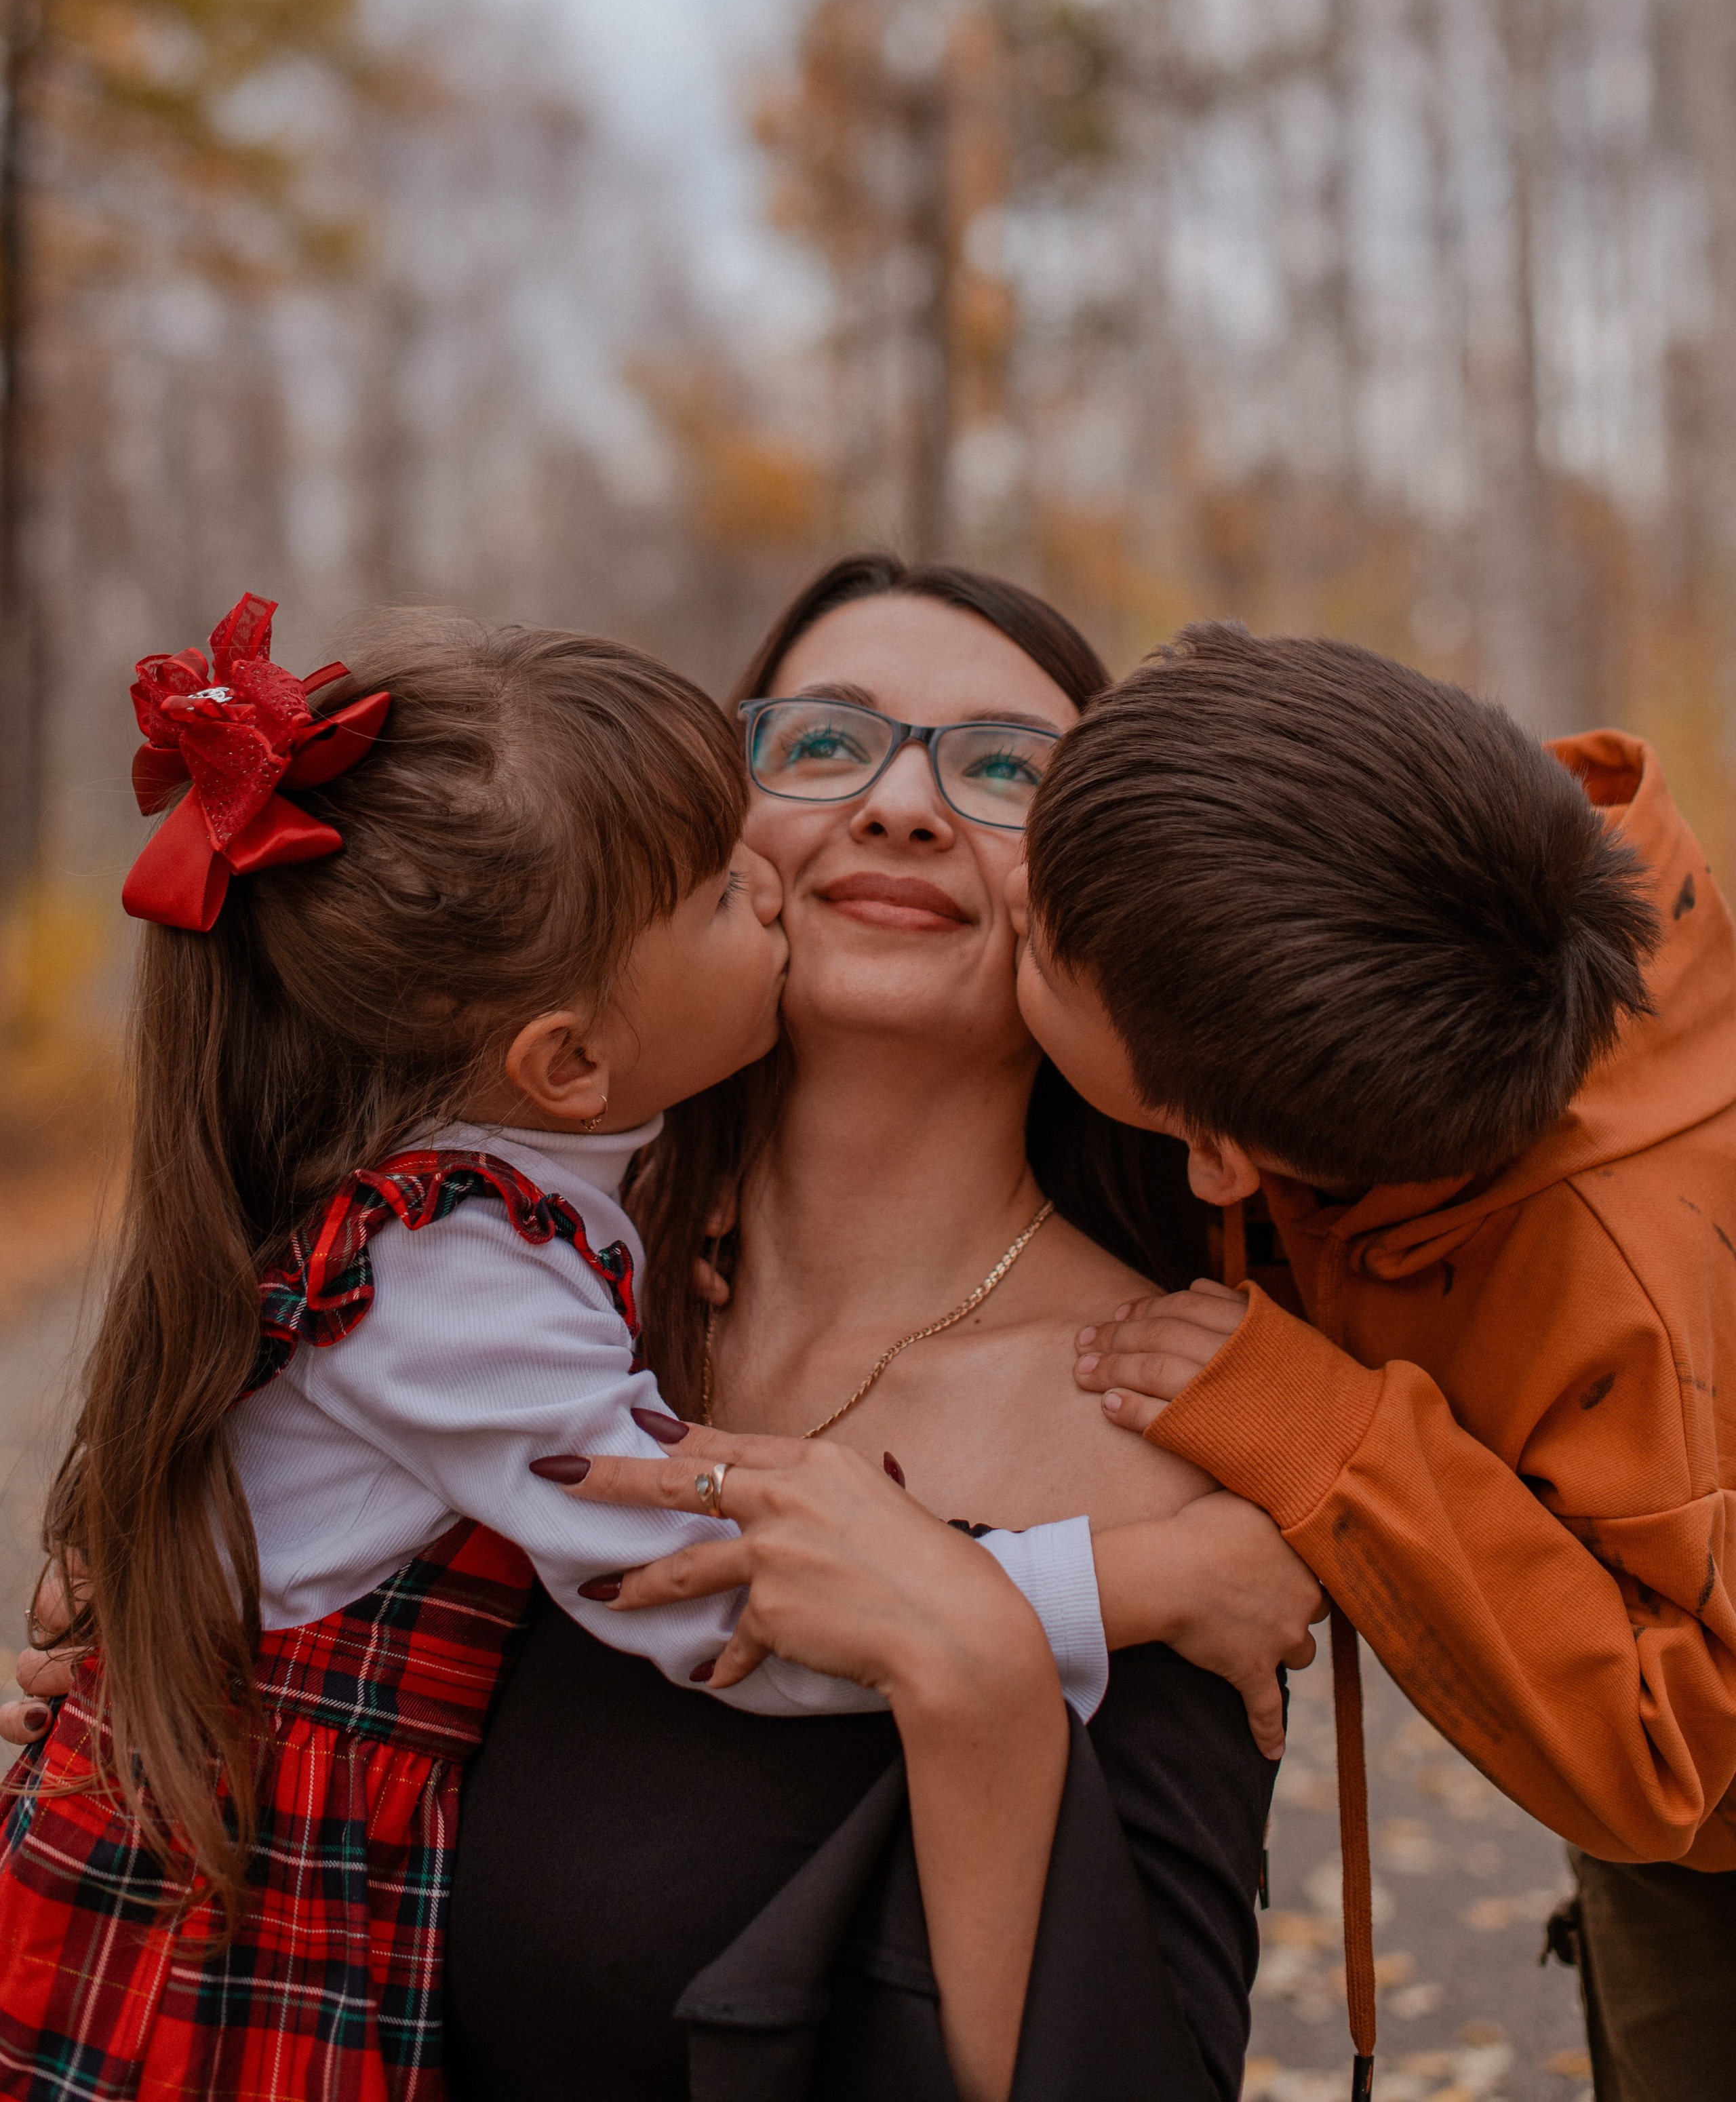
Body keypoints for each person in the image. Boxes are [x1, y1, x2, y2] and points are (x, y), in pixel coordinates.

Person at [0, 593, 1118, 2102]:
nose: (782, 890)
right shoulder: (462, 1283)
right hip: (224, 1941)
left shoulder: (522, 1213)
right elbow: (696, 1601)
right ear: (567, 1060)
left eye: (1005, 767)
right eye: (727, 888)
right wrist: (1144, 1584)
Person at [446, 556, 1324, 2102]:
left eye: (1004, 771)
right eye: (822, 741)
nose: (905, 805)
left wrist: (976, 1666)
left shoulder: (1158, 1437)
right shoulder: (511, 1299)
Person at [1010, 620, 1736, 2100]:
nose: (1003, 893)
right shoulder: (1438, 914)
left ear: (1221, 1154)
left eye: (1034, 946)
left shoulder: (1626, 1285)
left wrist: (1329, 1435)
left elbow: (1675, 1751)